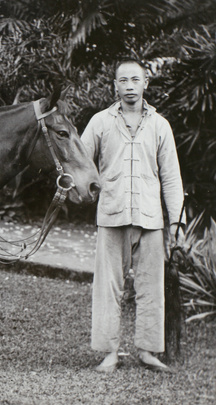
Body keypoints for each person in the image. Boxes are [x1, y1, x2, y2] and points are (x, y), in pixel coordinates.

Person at [81, 60, 185, 373]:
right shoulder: (100, 122)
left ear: (145, 84)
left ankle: (148, 351)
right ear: (115, 85)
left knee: (151, 288)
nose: (129, 86)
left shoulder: (160, 125)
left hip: (151, 218)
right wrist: (89, 190)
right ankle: (109, 352)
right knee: (108, 287)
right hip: (112, 215)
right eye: (123, 80)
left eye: (135, 80)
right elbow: (81, 163)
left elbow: (171, 177)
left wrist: (176, 221)